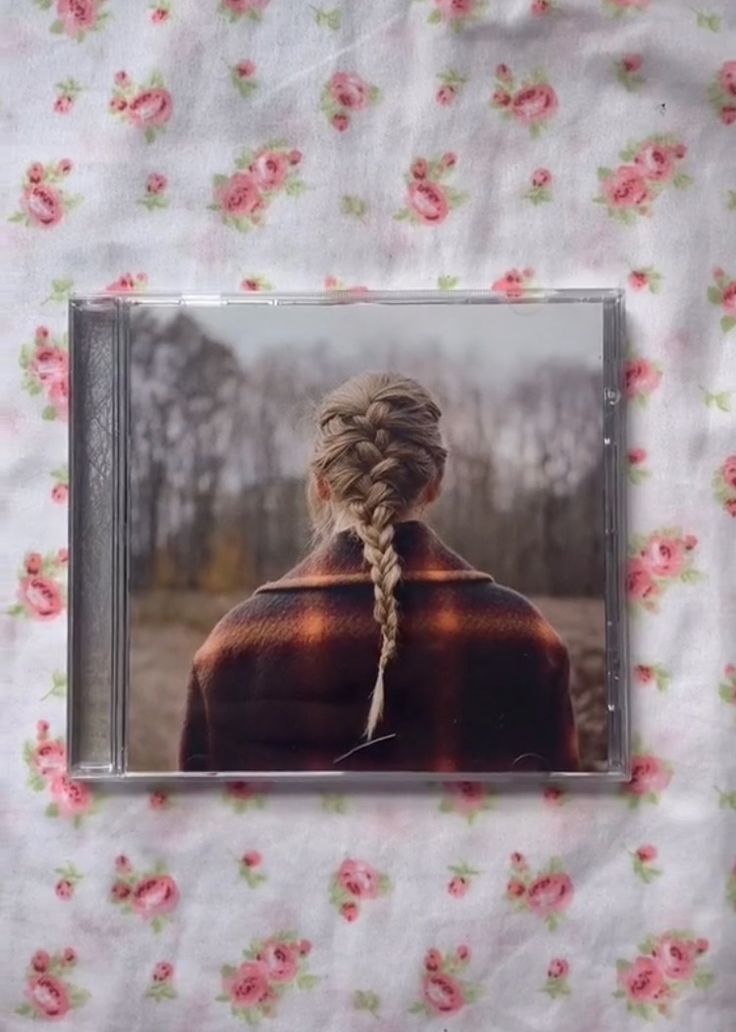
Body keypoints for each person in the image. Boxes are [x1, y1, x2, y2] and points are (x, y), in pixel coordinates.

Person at [179, 372, 580, 773]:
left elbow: (200, 825)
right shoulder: (526, 635)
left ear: (322, 485)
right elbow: (562, 817)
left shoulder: (231, 647)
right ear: (434, 483)